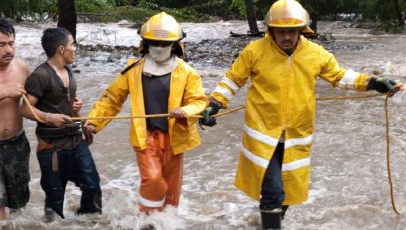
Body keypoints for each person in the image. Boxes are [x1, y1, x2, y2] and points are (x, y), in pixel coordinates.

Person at [199, 0, 403, 229]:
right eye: (281, 31)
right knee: (273, 191)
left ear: (301, 31)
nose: (286, 36)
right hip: (262, 134)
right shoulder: (254, 51)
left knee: (287, 191)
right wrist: (214, 103)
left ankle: (268, 218)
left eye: (291, 31)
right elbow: (233, 79)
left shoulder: (315, 54)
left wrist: (374, 82)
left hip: (297, 135)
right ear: (271, 31)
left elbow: (340, 76)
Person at [84, 12, 207, 213]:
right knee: (154, 179)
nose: (158, 48)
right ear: (145, 43)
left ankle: (167, 222)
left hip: (174, 137)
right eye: (154, 43)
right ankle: (147, 219)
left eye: (163, 44)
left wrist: (185, 111)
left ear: (175, 45)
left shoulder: (187, 73)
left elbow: (199, 102)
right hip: (146, 137)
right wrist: (94, 121)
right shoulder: (133, 70)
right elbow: (112, 98)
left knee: (171, 190)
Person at [20, 27, 102, 222]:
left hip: (76, 141)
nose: (75, 48)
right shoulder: (40, 76)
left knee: (92, 186)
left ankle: (86, 222)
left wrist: (77, 108)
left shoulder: (68, 70)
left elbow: (67, 103)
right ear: (61, 49)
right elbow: (24, 109)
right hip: (52, 147)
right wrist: (50, 117)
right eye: (72, 44)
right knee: (55, 199)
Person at [0, 18, 31, 228]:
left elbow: (40, 102)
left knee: (19, 203)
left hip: (17, 144)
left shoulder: (23, 69)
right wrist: (3, 93)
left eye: (11, 43)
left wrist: (71, 105)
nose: (9, 49)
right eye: (1, 45)